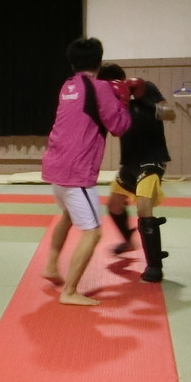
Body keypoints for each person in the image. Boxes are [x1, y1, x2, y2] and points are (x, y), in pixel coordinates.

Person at [40, 38, 131, 306]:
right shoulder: (100, 88)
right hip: (77, 172)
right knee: (93, 232)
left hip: (56, 165)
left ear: (72, 63)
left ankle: (51, 266)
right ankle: (69, 291)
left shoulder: (68, 86)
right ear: (99, 61)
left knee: (68, 216)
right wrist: (123, 100)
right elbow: (119, 126)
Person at [97, 63, 175, 283]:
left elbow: (170, 114)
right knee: (114, 206)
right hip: (129, 162)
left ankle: (155, 265)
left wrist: (144, 100)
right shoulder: (111, 100)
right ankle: (129, 241)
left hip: (152, 159)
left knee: (143, 208)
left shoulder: (146, 87)